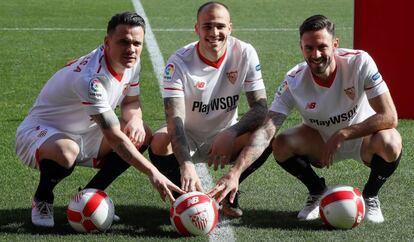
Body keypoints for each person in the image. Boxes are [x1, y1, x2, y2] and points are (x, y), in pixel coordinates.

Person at [207, 14, 402, 223]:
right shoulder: (293, 80)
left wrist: (344, 133)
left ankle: (370, 195)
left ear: (335, 44)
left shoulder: (359, 62)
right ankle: (317, 191)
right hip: (319, 143)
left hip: (363, 140)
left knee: (390, 142)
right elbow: (266, 130)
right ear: (301, 47)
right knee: (280, 144)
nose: (315, 54)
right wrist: (235, 173)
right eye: (309, 48)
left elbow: (389, 116)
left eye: (322, 46)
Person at [15, 12, 184, 228]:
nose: (131, 49)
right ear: (107, 42)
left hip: (86, 131)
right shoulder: (91, 79)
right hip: (41, 132)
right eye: (123, 42)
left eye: (136, 43)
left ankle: (90, 198)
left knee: (142, 134)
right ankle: (43, 198)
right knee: (68, 151)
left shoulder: (132, 62)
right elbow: (114, 138)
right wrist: (154, 173)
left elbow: (131, 102)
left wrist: (135, 119)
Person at [148, 1, 271, 218]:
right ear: (197, 28)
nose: (214, 32)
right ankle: (184, 198)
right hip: (189, 138)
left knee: (267, 132)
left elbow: (261, 108)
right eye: (207, 26)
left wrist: (231, 132)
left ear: (230, 28)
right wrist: (186, 165)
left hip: (226, 138)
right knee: (159, 141)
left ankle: (230, 191)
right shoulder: (179, 62)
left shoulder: (245, 52)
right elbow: (174, 121)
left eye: (220, 26)